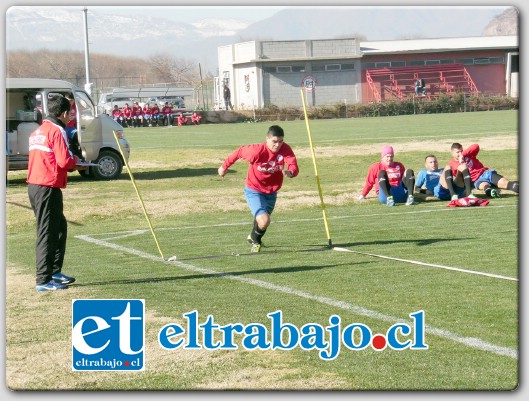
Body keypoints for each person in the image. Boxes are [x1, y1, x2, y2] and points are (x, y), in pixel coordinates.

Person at [26, 94, 82, 291]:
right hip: (46, 187)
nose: (70, 117)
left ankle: (55, 272)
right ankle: (43, 280)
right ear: (64, 113)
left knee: (59, 228)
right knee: (47, 233)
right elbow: (64, 161)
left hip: (36, 186)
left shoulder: (38, 131)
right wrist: (78, 162)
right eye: (70, 113)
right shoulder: (57, 130)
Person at [218, 125, 299, 252]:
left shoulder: (285, 149)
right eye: (274, 141)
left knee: (262, 221)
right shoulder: (256, 151)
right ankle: (256, 241)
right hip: (254, 189)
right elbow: (239, 152)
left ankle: (253, 237)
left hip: (272, 192)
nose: (277, 145)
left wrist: (291, 172)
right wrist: (223, 167)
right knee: (264, 220)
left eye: (280, 141)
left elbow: (293, 164)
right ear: (267, 139)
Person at [447, 143, 519, 198]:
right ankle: (490, 191)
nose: (460, 154)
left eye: (461, 151)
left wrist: (464, 154)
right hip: (476, 181)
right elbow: (457, 180)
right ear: (452, 153)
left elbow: (476, 146)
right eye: (458, 152)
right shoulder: (451, 164)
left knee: (510, 185)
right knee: (485, 186)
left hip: (485, 173)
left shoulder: (467, 155)